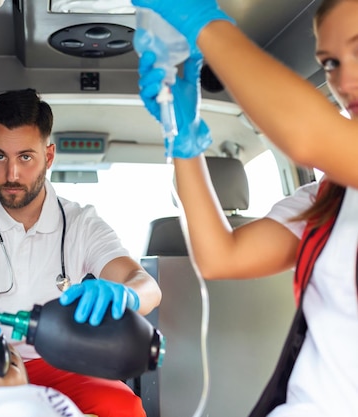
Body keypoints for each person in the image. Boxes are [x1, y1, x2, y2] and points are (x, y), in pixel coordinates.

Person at [134, 0, 358, 416]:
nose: (344, 79)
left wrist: (203, 24)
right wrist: (183, 138)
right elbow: (222, 257)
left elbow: (303, 137)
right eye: (330, 62)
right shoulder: (328, 197)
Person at [0, 88, 162, 417]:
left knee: (122, 406)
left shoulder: (81, 221)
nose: (12, 174)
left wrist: (126, 295)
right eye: (0, 156)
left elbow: (146, 284)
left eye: (25, 157)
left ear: (49, 155)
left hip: (60, 362)